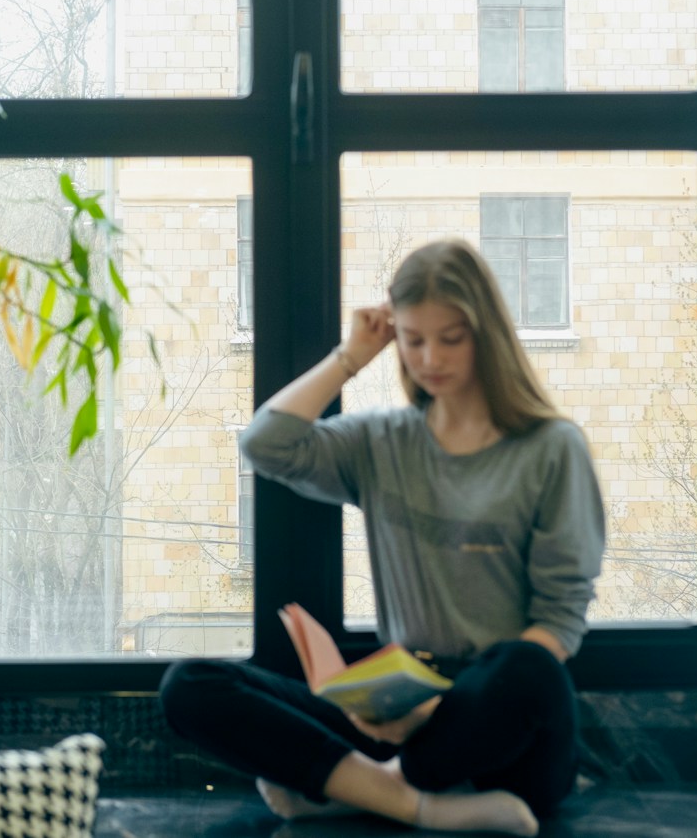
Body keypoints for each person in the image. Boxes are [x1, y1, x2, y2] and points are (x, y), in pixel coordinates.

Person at [159, 239, 605, 837]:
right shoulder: (380, 442)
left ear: (487, 335)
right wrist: (350, 356)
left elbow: (559, 622)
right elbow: (265, 445)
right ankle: (409, 801)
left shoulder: (552, 448)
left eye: (451, 338)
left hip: (501, 727)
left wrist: (440, 710)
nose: (430, 358)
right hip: (396, 715)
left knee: (528, 668)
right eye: (413, 339)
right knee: (190, 684)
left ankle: (348, 788)